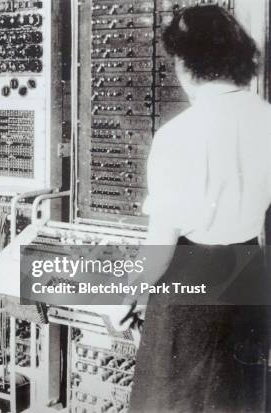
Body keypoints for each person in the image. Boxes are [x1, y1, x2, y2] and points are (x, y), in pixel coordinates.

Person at [121, 6, 271, 412]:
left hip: (189, 293)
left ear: (186, 63)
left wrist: (126, 298)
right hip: (250, 281)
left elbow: (159, 251)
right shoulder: (268, 120)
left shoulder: (178, 135)